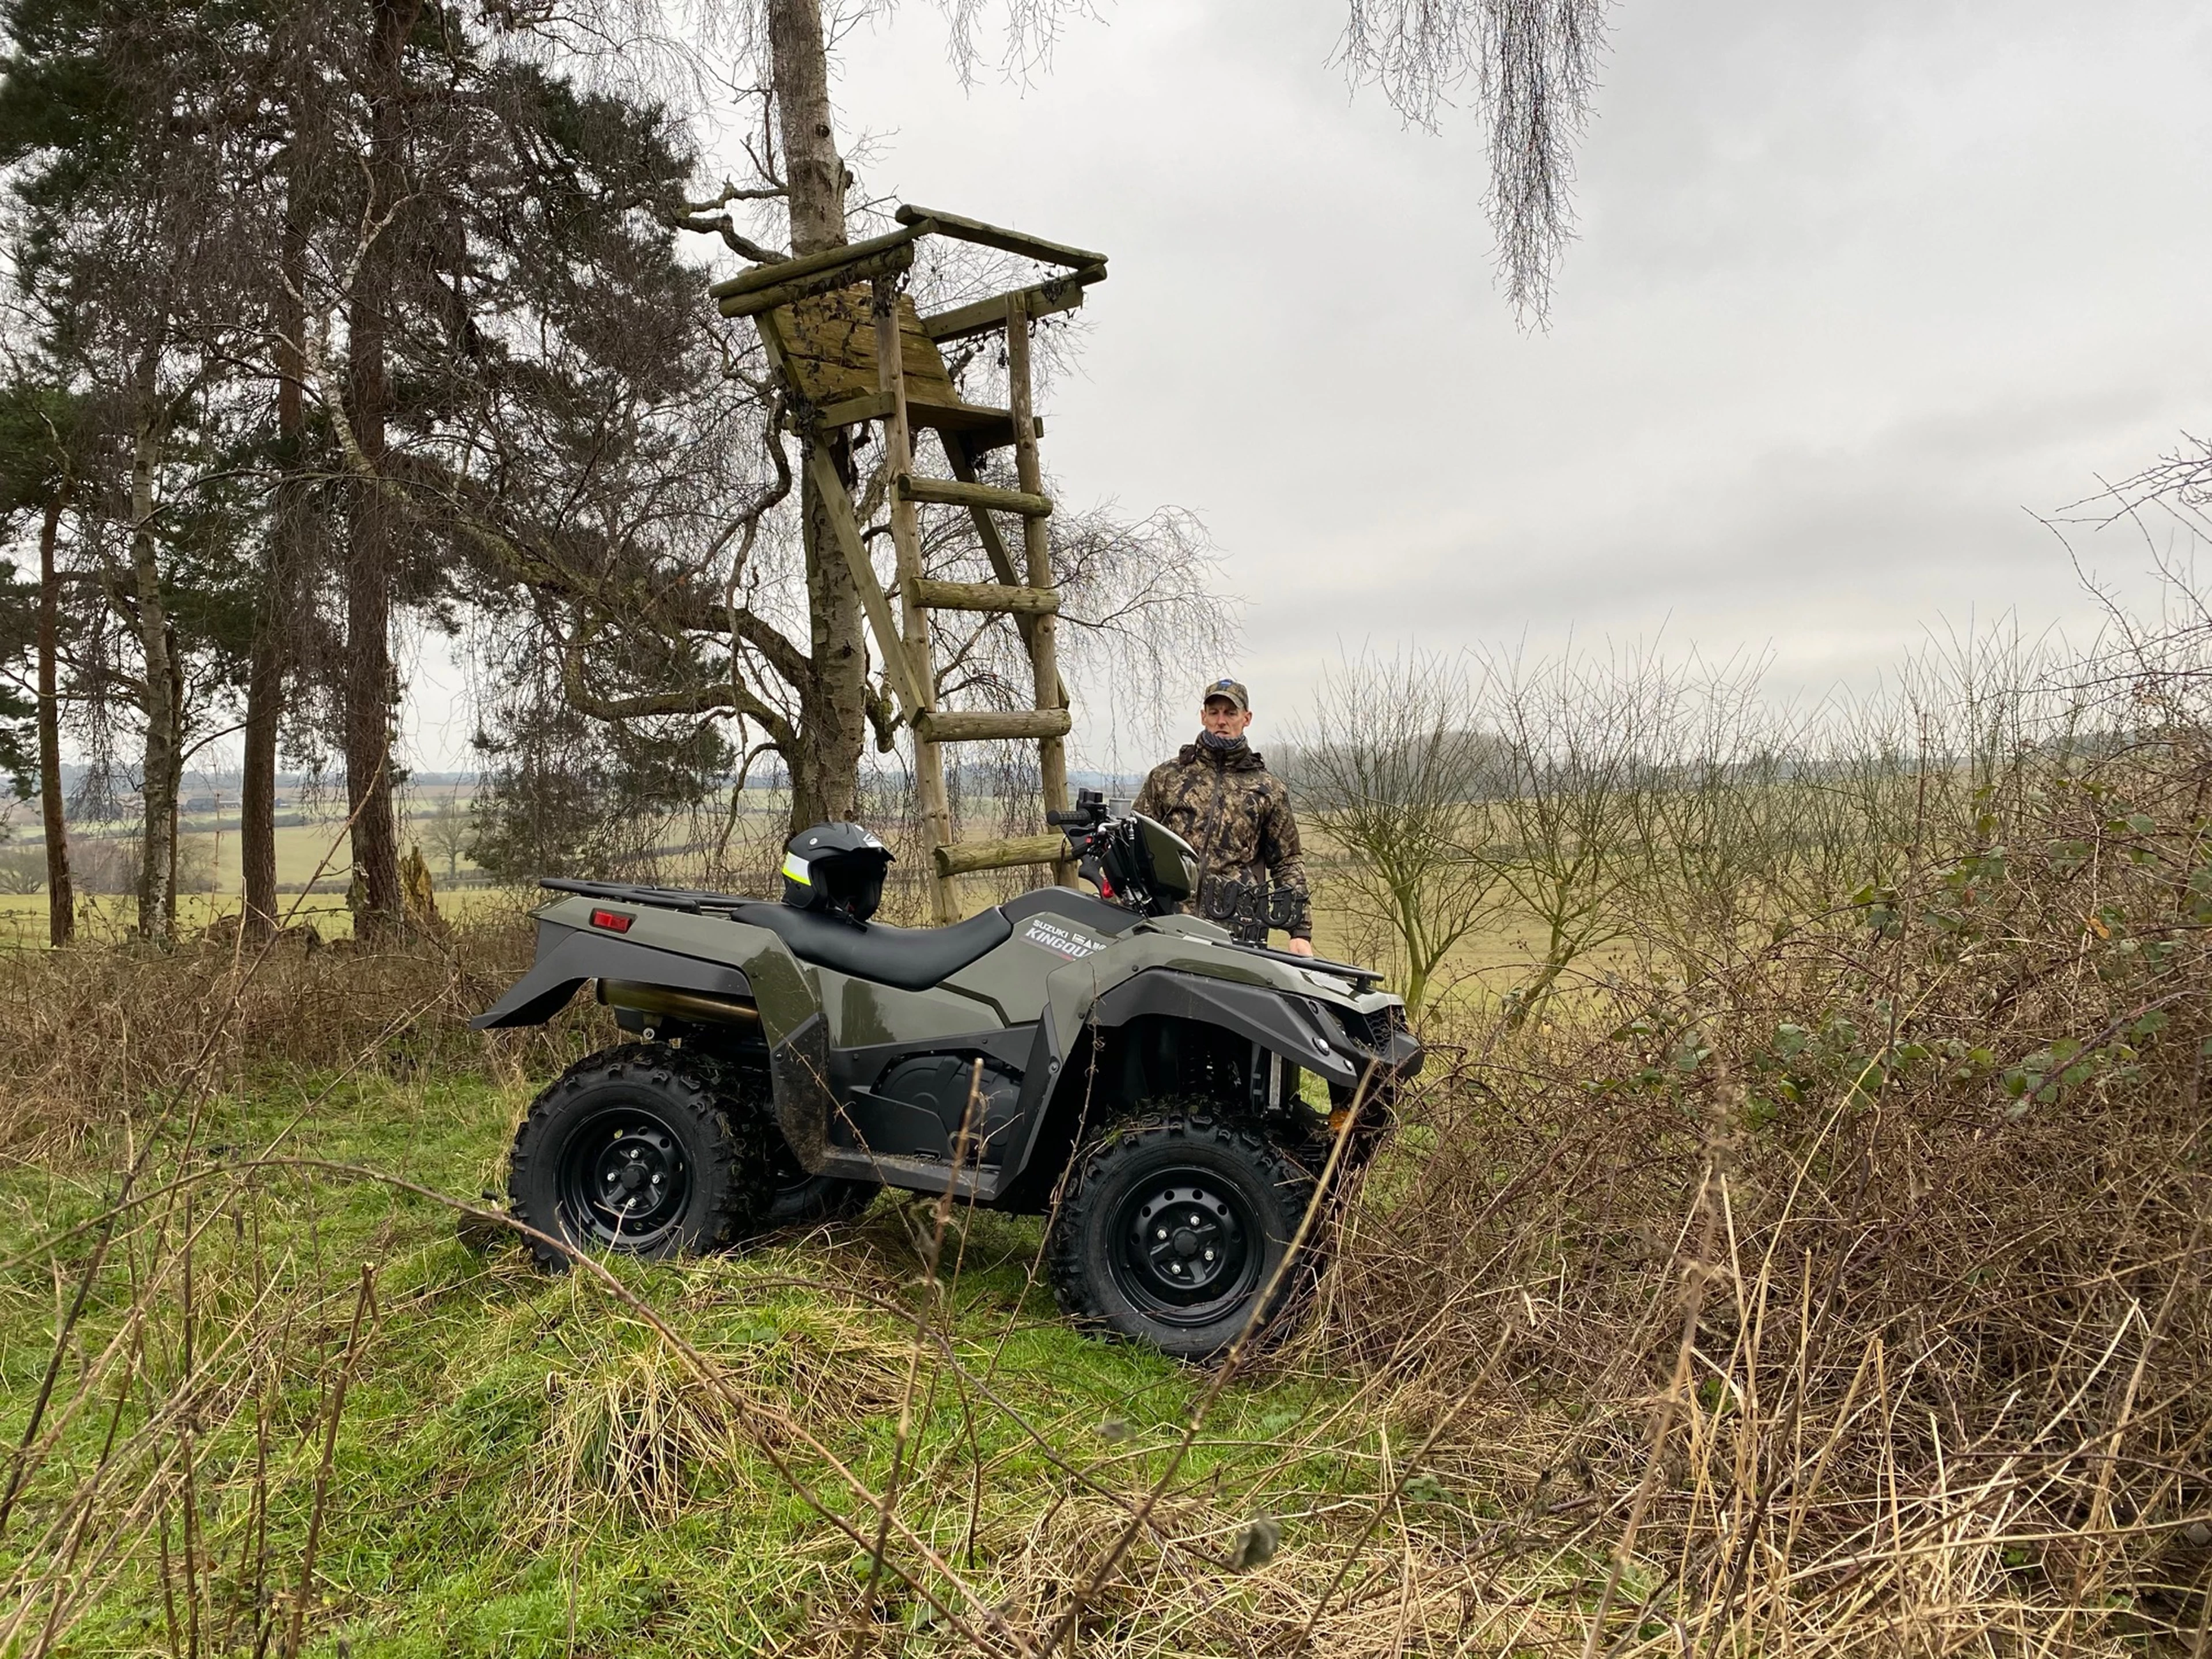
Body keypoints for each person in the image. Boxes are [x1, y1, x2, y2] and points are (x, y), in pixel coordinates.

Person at [1132, 677, 1316, 956]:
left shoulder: (1267, 789)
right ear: (1203, 716)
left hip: (1236, 932)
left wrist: (1299, 932)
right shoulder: (1167, 777)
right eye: (1215, 712)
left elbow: (1287, 861)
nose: (1222, 721)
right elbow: (1135, 840)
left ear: (1246, 719)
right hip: (1165, 922)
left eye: (1231, 713)